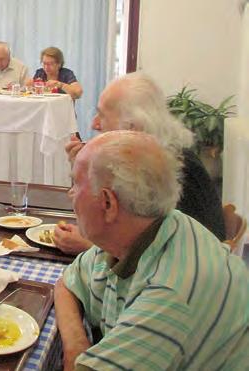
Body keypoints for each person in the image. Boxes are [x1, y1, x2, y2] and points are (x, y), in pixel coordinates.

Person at [54, 130, 248, 371]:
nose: (70, 193)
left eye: (76, 183)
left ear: (108, 203)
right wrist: (76, 347)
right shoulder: (149, 230)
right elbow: (66, 284)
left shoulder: (168, 293)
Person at [56, 72, 225, 254]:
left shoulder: (178, 172)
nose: (94, 124)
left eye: (102, 115)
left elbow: (168, 257)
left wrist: (90, 247)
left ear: (132, 128)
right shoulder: (144, 162)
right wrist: (84, 170)